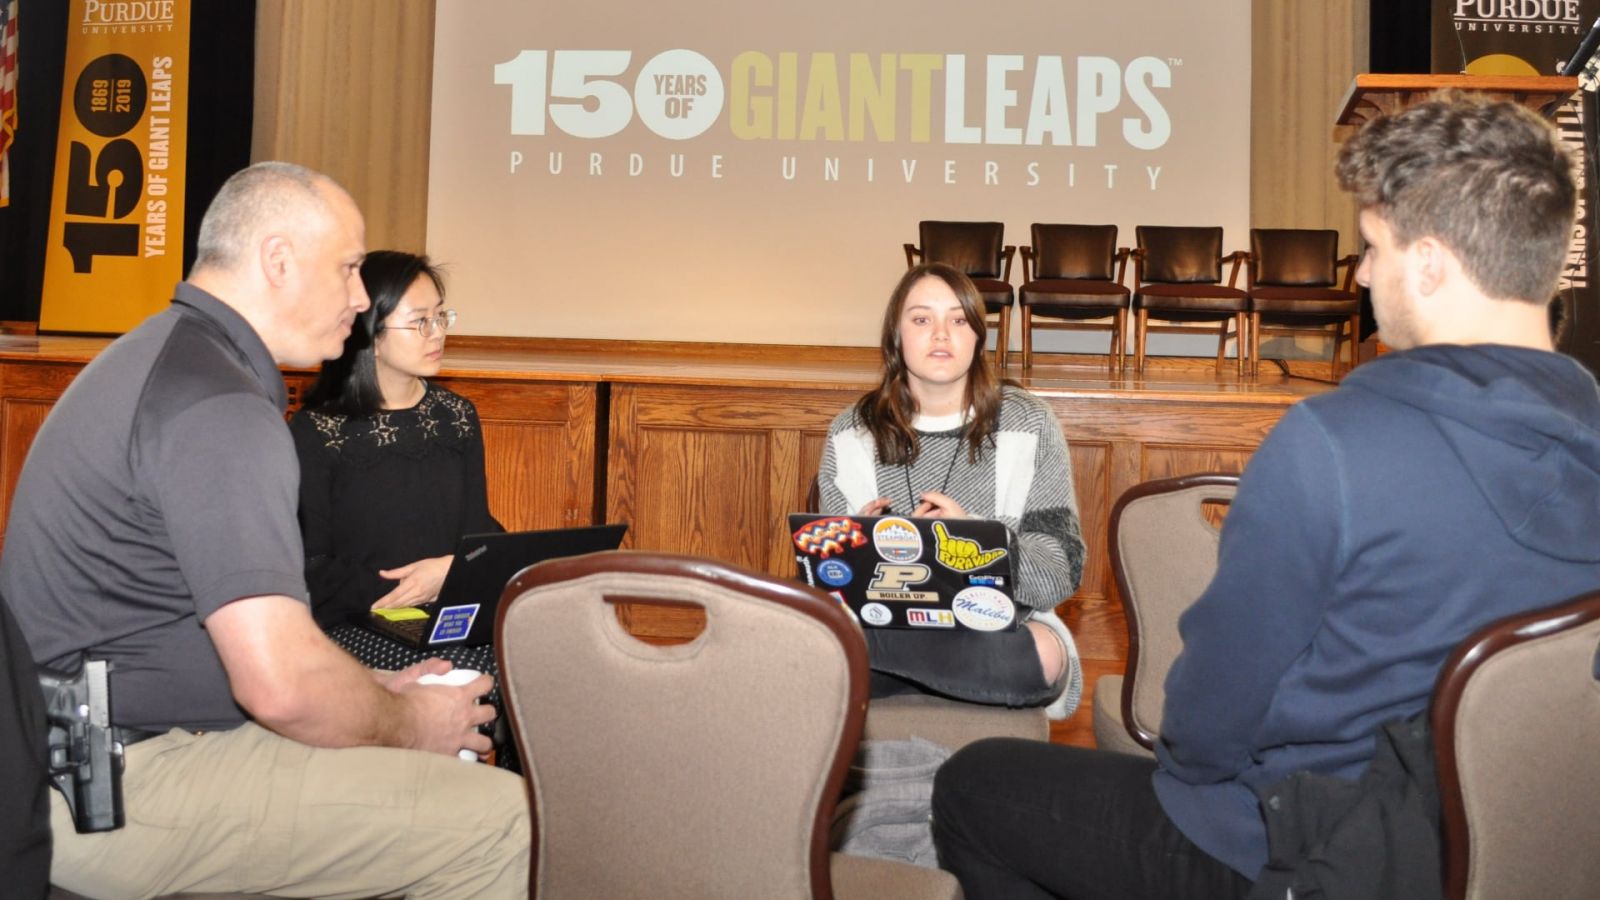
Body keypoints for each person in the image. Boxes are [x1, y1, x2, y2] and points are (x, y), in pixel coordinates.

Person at [930, 94, 1600, 899]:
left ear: (1428, 264)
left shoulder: (1334, 445)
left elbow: (1205, 726)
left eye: (1371, 247)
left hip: (1303, 851)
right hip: (1517, 848)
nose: (1360, 272)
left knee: (975, 787)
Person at [0, 162, 529, 898]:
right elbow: (279, 689)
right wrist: (411, 722)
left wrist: (374, 686)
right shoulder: (218, 406)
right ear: (278, 260)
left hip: (84, 758)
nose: (356, 296)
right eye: (347, 268)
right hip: (123, 790)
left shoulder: (165, 358)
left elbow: (217, 642)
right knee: (503, 818)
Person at [817, 262, 1085, 713]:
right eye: (922, 319)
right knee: (820, 630)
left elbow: (1060, 572)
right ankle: (922, 675)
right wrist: (857, 550)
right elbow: (832, 584)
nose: (941, 334)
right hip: (884, 624)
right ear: (896, 337)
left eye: (958, 320)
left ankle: (880, 674)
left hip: (996, 630)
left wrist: (981, 541)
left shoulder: (1029, 422)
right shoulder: (852, 432)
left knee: (1042, 654)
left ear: (978, 337)